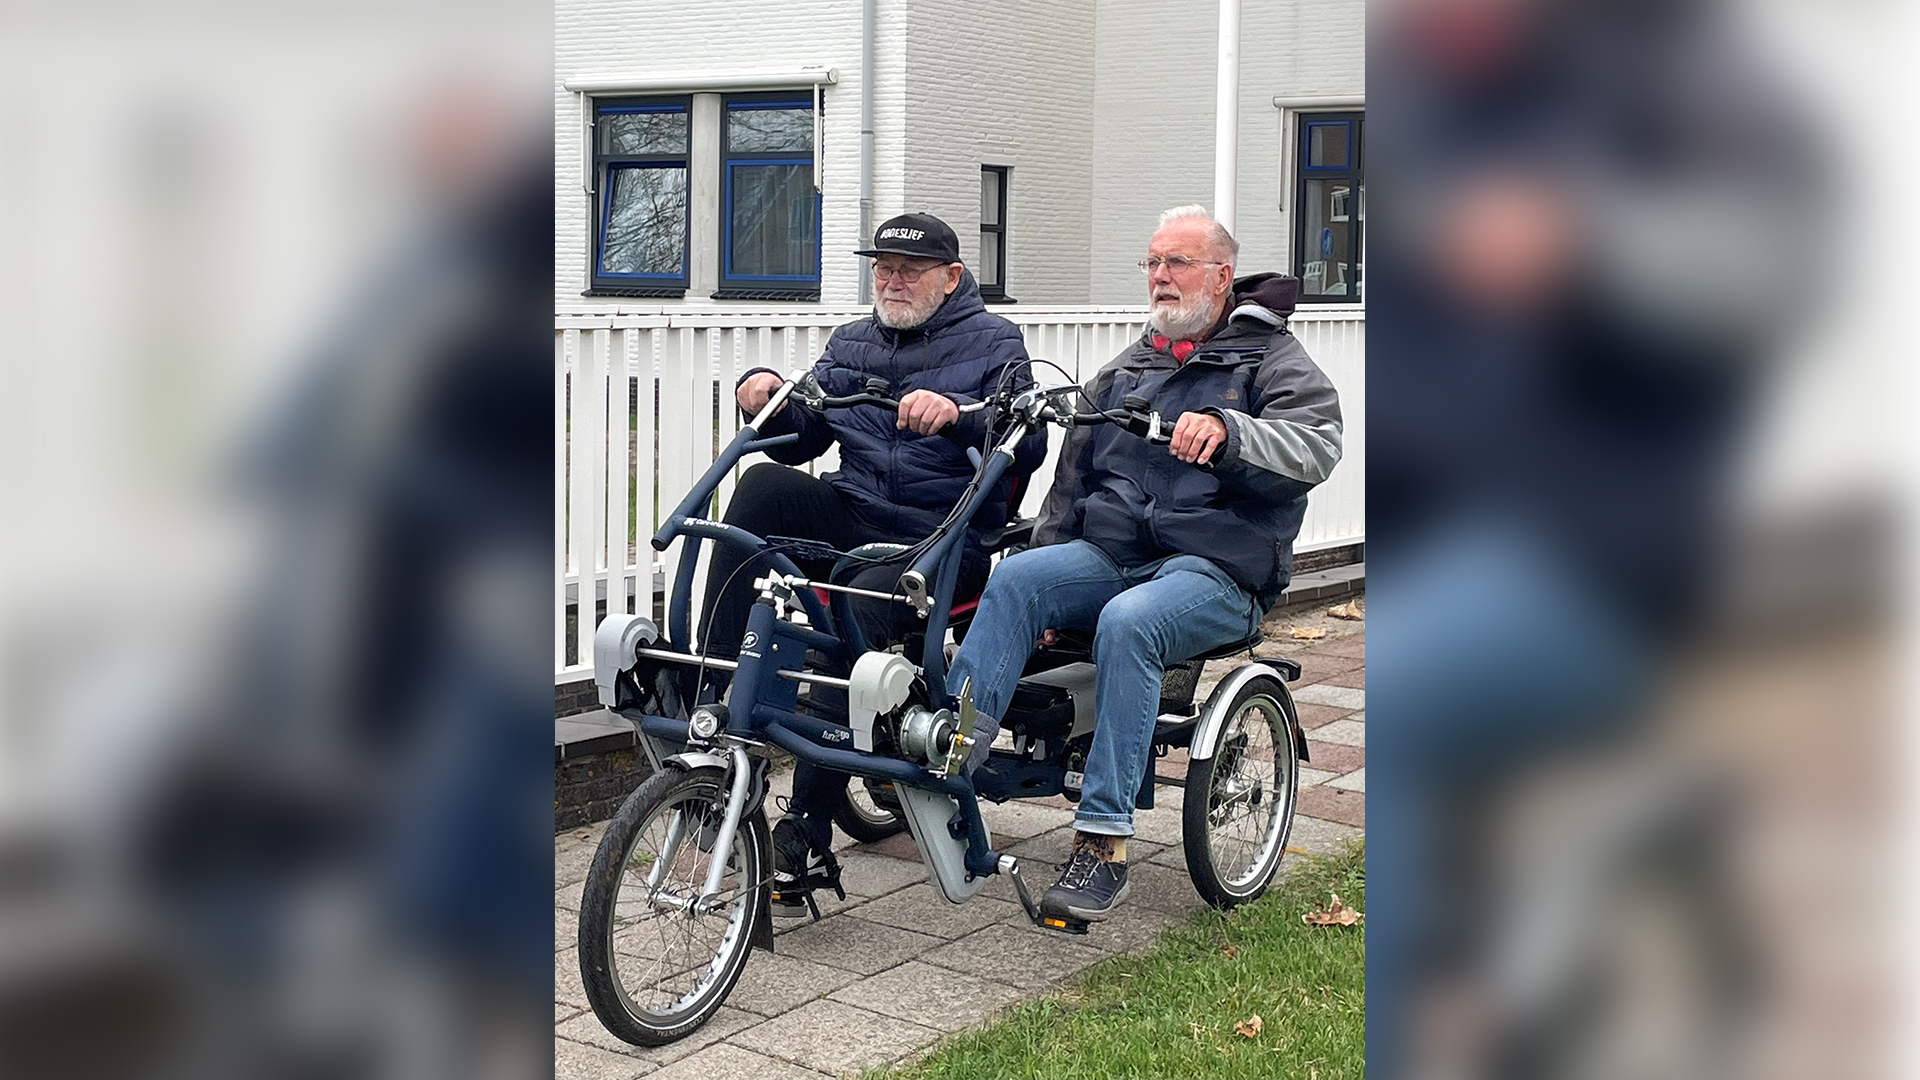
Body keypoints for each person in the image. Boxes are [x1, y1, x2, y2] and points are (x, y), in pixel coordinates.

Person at [946, 205, 1343, 921]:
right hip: (1112, 553)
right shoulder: (1129, 366)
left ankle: (1103, 841)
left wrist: (1230, 431)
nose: (1160, 276)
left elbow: (1316, 447)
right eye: (1153, 263)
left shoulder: (1273, 360)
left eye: (1177, 263)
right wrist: (1047, 567)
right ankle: (948, 764)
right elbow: (1071, 481)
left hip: (1217, 569)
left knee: (1131, 623)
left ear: (1221, 276)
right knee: (1015, 582)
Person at [701, 212, 1047, 914]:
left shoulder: (995, 341)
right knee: (762, 488)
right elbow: (802, 436)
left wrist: (958, 411)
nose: (892, 280)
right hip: (855, 512)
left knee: (848, 601)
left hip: (943, 535)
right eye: (882, 267)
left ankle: (807, 827)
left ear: (951, 277)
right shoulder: (853, 339)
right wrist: (765, 395)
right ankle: (712, 693)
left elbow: (1028, 439)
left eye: (909, 270)